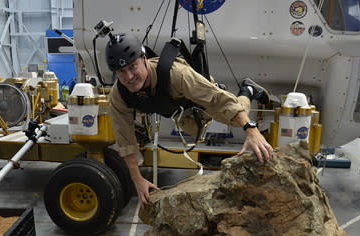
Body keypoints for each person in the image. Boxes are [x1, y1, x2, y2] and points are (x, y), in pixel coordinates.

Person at [106, 33, 274, 205]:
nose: (129, 77)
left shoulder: (176, 74)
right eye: (121, 71)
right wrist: (137, 179)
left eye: (133, 67)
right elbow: (125, 141)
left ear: (144, 59)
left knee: (233, 117)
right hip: (180, 111)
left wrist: (251, 129)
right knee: (194, 130)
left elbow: (218, 99)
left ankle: (248, 90)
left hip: (199, 94)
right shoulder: (119, 95)